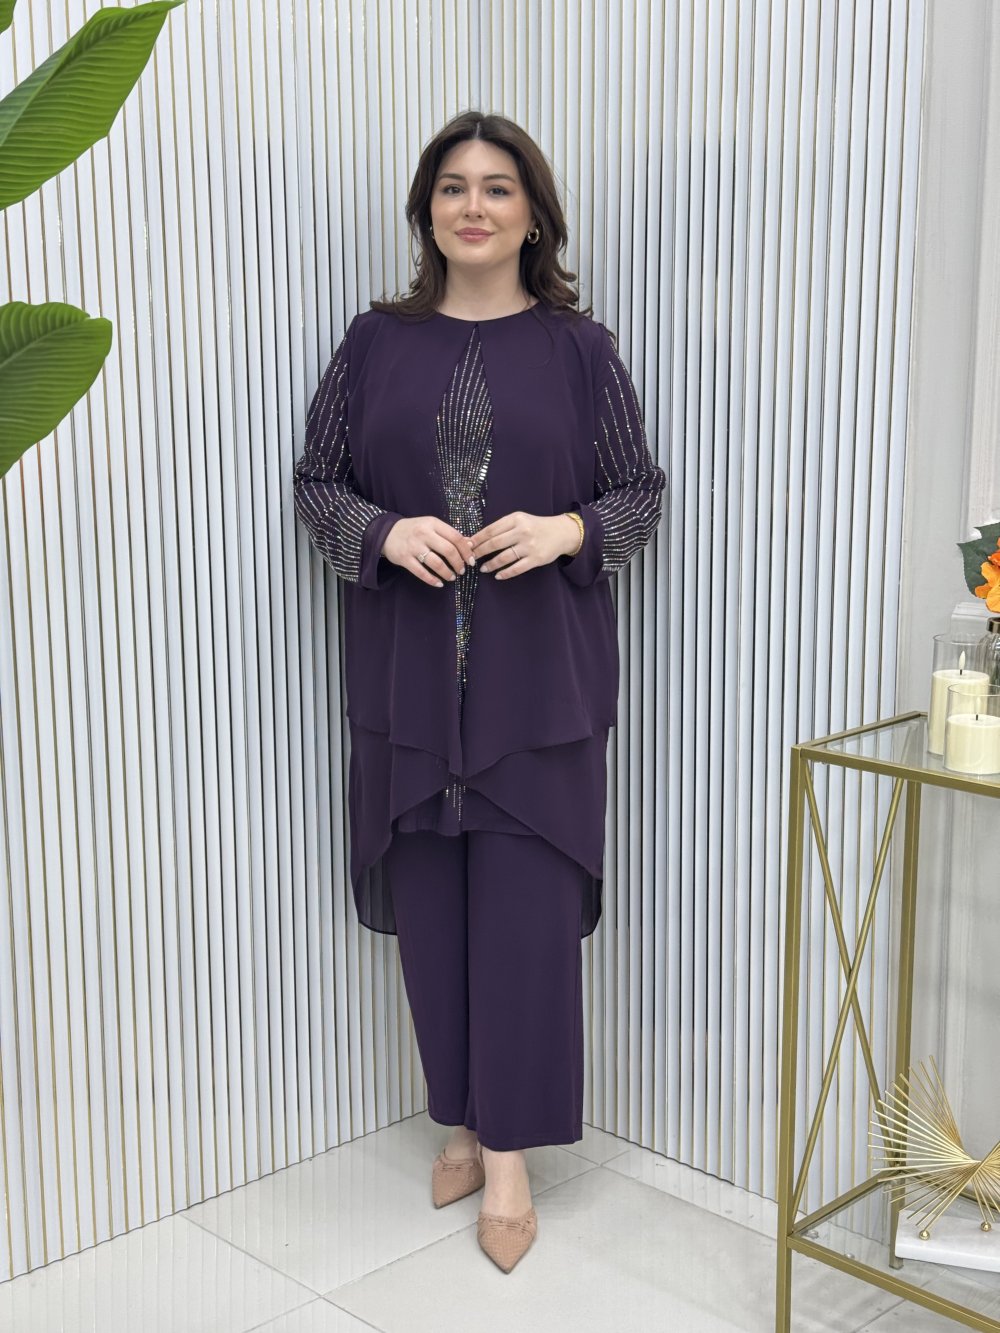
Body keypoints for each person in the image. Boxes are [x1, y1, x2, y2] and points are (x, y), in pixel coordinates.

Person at [292, 109, 665, 1273]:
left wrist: (565, 530)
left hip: (537, 696)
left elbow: (639, 493)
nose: (473, 206)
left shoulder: (579, 350)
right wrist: (382, 531)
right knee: (433, 923)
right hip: (407, 688)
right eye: (452, 187)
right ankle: (458, 1117)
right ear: (427, 211)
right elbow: (316, 482)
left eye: (497, 187)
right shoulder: (374, 342)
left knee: (523, 926)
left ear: (533, 216)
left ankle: (507, 1162)